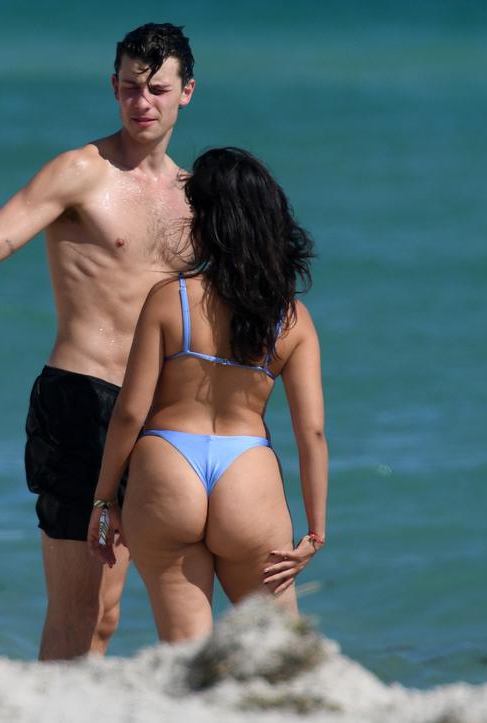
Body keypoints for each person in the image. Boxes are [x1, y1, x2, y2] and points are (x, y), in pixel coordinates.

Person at [0, 23, 197, 660]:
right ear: (113, 87)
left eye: (157, 89)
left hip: (164, 413)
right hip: (83, 398)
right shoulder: (81, 172)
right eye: (129, 88)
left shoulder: (196, 197)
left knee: (123, 612)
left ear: (186, 91)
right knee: (84, 612)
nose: (142, 102)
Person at [86, 147, 327, 642]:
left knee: (186, 652)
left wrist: (103, 500)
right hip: (247, 474)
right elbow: (313, 434)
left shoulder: (169, 298)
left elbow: (130, 412)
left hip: (167, 466)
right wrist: (315, 532)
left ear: (208, 219)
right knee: (277, 651)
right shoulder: (290, 319)